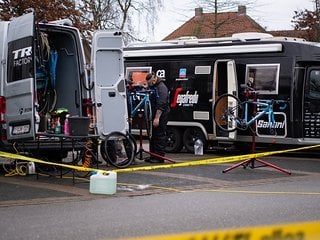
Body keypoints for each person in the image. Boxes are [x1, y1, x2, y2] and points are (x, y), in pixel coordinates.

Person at [145, 72, 170, 163]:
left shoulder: (161, 88)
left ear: (155, 78)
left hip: (160, 115)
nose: (150, 84)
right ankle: (153, 155)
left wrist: (157, 118)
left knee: (159, 135)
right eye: (148, 83)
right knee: (153, 136)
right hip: (153, 114)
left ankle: (159, 157)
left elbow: (161, 104)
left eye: (151, 82)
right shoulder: (154, 87)